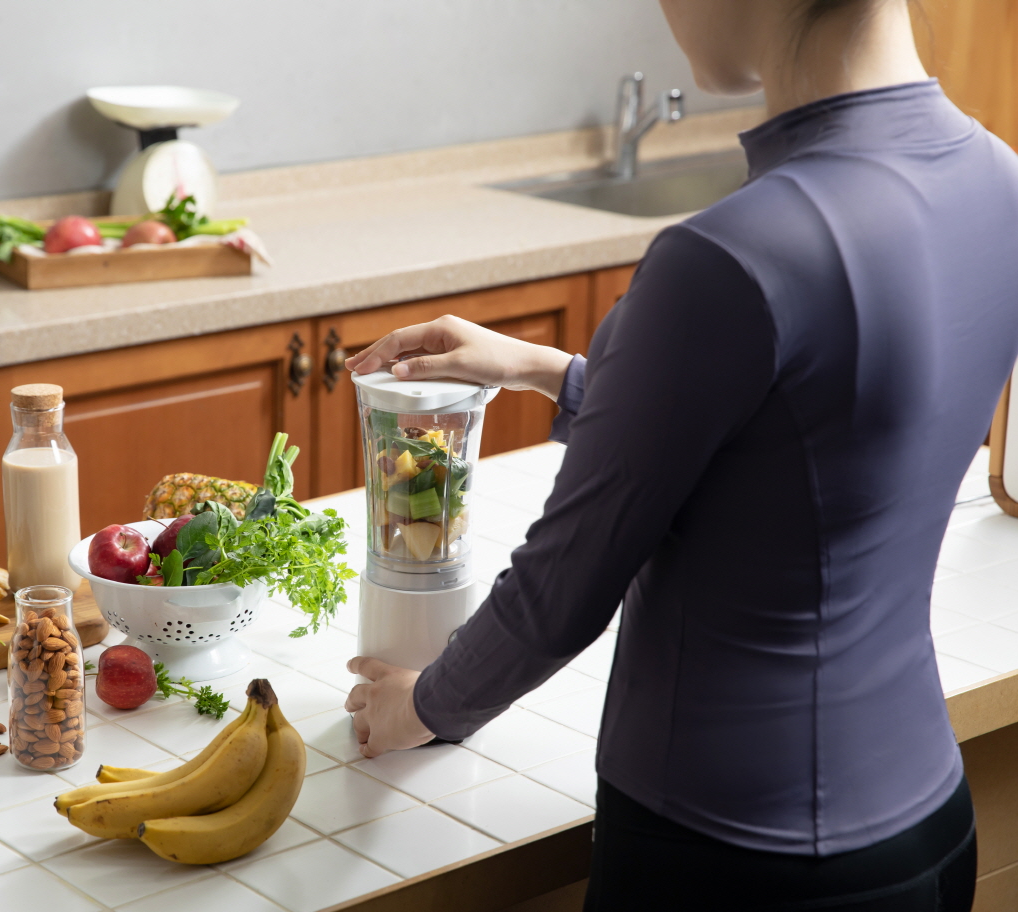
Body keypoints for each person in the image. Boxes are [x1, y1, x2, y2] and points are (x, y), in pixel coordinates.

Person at [342, 0, 1018, 908]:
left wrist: (418, 705)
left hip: (728, 857)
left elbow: (560, 587)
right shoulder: (997, 178)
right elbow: (798, 446)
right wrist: (546, 370)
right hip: (926, 829)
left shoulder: (728, 256)